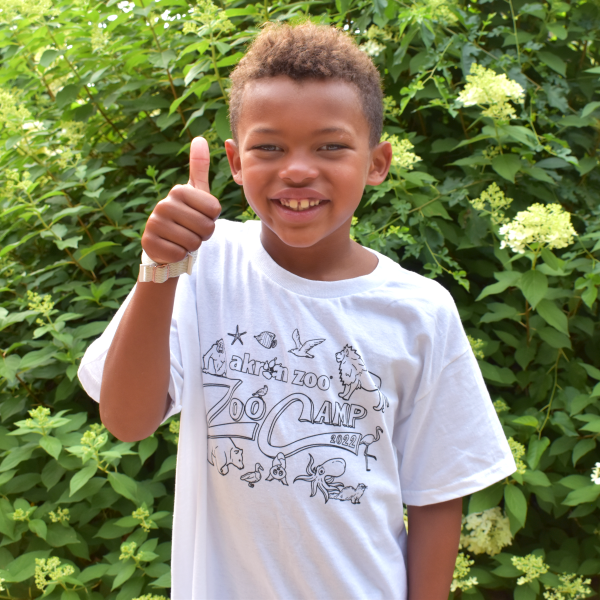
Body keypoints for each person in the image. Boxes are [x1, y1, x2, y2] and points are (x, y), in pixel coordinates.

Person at [79, 21, 516, 600]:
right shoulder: (203, 264)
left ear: (378, 162)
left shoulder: (420, 312)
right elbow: (127, 421)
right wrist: (160, 269)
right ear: (235, 162)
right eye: (270, 147)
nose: (298, 170)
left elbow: (437, 493)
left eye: (331, 145)